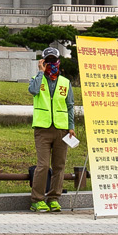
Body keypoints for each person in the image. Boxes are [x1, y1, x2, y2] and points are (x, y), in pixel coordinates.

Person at [28, 46, 73, 211]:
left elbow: (70, 106)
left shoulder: (65, 82)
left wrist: (71, 127)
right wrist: (40, 72)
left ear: (58, 61)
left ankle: (54, 198)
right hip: (43, 129)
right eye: (48, 60)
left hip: (62, 129)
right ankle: (37, 199)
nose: (51, 63)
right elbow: (33, 91)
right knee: (43, 165)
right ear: (43, 62)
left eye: (54, 60)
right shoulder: (36, 79)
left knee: (59, 165)